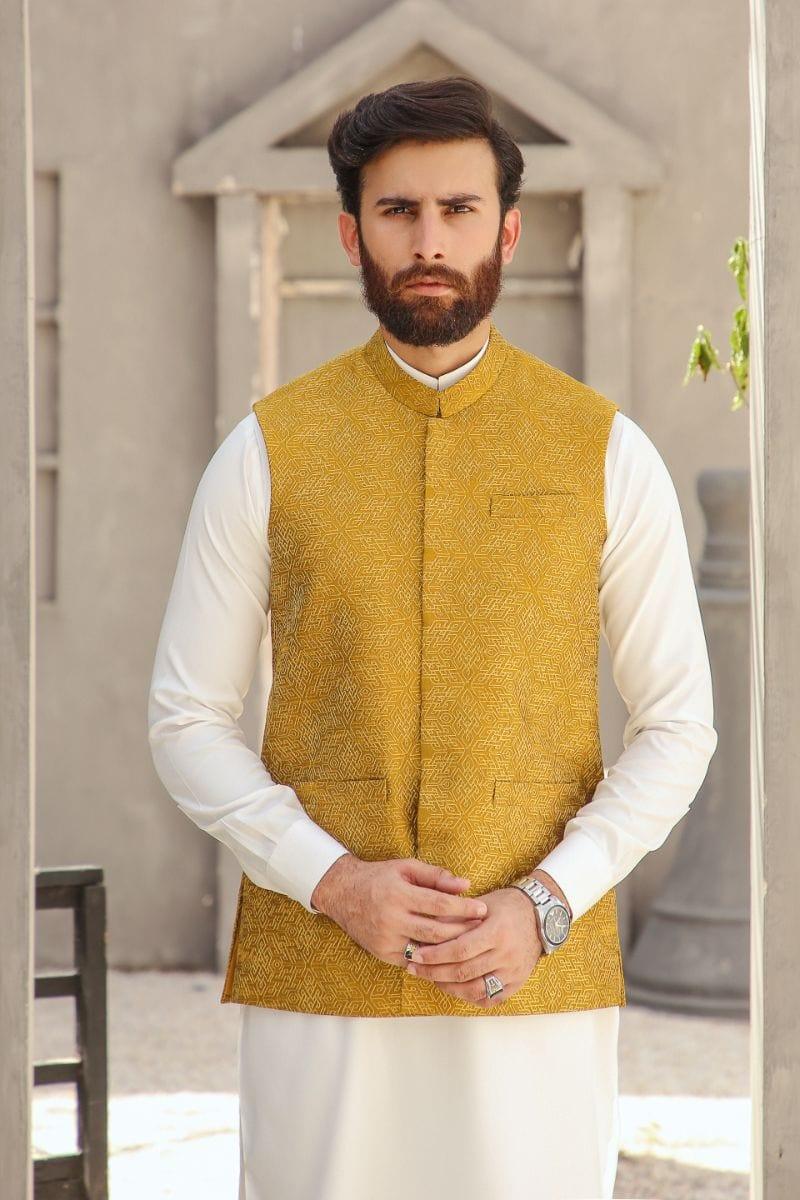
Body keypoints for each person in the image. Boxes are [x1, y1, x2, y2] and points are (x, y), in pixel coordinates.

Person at [147, 76, 718, 1200]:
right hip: (319, 987)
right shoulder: (265, 451)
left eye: (458, 210)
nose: (429, 242)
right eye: (398, 211)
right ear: (350, 232)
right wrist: (331, 882)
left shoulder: (605, 450)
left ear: (507, 230)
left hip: (534, 992)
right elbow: (185, 720)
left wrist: (546, 905)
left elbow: (677, 726)